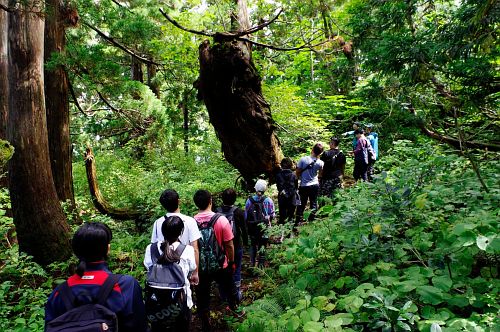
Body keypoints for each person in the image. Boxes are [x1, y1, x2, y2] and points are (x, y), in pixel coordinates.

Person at [45, 222, 148, 332]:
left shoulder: (59, 292)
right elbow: (139, 326)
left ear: (76, 252)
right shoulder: (125, 285)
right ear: (108, 249)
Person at [193, 189, 239, 331]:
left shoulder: (191, 222)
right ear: (210, 201)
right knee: (229, 288)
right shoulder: (221, 220)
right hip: (221, 264)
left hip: (201, 267)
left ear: (196, 204)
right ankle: (234, 312)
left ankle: (205, 321)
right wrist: (231, 262)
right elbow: (229, 245)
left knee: (202, 295)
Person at [144, 216, 196, 331]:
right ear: (181, 232)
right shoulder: (187, 250)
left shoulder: (150, 249)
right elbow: (191, 268)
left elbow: (148, 267)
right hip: (181, 302)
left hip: (156, 303)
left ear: (162, 231)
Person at [151, 189, 201, 286]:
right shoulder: (190, 221)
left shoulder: (158, 223)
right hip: (183, 268)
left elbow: (154, 247)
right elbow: (195, 249)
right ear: (179, 201)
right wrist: (195, 272)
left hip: (162, 270)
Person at [216, 188, 248, 303]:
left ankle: (223, 294)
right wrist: (246, 243)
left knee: (221, 270)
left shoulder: (216, 211)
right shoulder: (238, 211)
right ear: (234, 199)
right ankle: (236, 293)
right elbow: (244, 229)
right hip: (236, 245)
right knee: (236, 268)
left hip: (219, 247)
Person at [244, 179, 275, 268]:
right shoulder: (268, 200)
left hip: (252, 227)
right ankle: (261, 265)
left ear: (255, 189)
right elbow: (272, 214)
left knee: (253, 245)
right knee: (263, 245)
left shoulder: (249, 200)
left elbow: (246, 215)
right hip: (264, 228)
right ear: (265, 189)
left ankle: (252, 264)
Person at [296, 143, 324, 224]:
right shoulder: (321, 162)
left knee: (301, 204)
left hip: (304, 185)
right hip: (315, 185)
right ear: (320, 153)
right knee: (314, 203)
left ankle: (298, 221)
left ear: (312, 149)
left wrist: (298, 179)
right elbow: (320, 174)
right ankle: (311, 220)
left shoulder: (303, 159)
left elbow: (297, 172)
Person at [275, 157, 298, 224]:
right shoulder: (294, 175)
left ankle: (282, 227)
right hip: (292, 196)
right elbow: (296, 187)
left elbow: (278, 187)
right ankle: (290, 228)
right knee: (291, 214)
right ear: (291, 165)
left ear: (281, 165)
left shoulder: (278, 175)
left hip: (282, 196)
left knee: (282, 214)